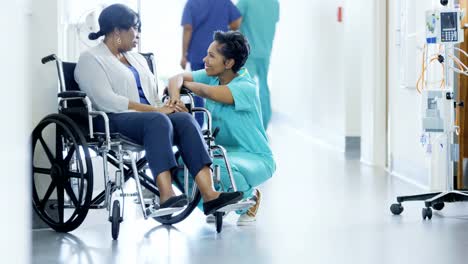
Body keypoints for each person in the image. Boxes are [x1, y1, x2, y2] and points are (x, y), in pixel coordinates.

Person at [74, 4, 243, 216]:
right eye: (135, 28)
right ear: (117, 31)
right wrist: (155, 110)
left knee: (185, 119)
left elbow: (153, 94)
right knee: (158, 120)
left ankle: (210, 195)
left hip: (149, 119)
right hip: (112, 119)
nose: (138, 34)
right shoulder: (91, 59)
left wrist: (170, 105)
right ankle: (166, 195)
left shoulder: (136, 58)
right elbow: (105, 99)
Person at [168, 31, 275, 225]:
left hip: (255, 156)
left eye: (211, 56)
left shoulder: (245, 87)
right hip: (221, 153)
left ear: (229, 63)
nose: (204, 59)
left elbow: (210, 93)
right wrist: (175, 96)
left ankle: (250, 198)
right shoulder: (213, 76)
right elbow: (176, 78)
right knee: (178, 164)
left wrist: (189, 86)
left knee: (214, 164)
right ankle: (215, 204)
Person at [180, 0, 243, 127]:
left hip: (198, 53)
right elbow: (236, 22)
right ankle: (220, 125)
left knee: (197, 92)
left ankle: (198, 127)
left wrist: (183, 55)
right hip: (221, 55)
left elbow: (188, 28)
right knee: (222, 87)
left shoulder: (192, 3)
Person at [236, 0, 280, 130]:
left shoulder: (246, 1)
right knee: (263, 85)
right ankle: (263, 123)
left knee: (245, 86)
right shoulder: (274, 3)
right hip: (266, 50)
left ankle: (246, 125)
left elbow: (234, 21)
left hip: (248, 52)